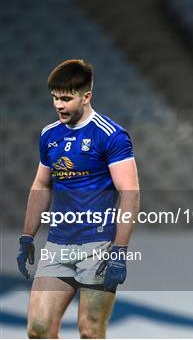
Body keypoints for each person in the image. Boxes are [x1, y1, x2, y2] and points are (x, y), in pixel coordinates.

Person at [16, 59, 140, 338]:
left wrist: (120, 250)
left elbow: (130, 194)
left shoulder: (111, 135)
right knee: (39, 330)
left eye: (66, 98)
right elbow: (41, 184)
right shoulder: (49, 135)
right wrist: (27, 237)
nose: (59, 105)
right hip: (58, 244)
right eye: (55, 98)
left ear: (87, 97)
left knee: (90, 331)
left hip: (99, 246)